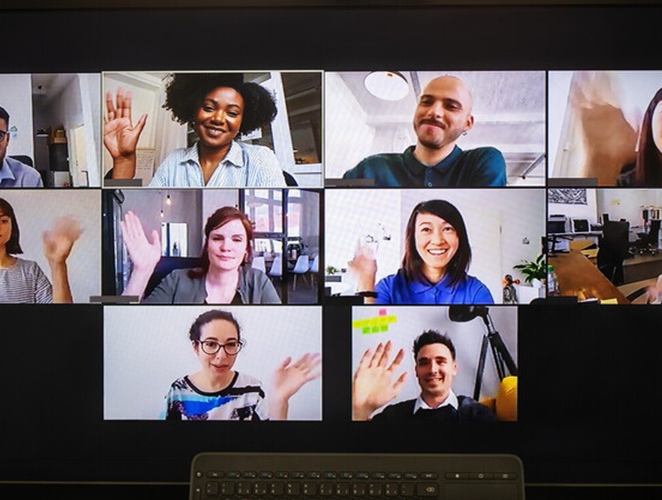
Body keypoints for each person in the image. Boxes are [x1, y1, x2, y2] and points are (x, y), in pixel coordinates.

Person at [104, 73, 287, 187]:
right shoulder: (174, 160)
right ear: (193, 112)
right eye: (208, 108)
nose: (217, 118)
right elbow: (133, 212)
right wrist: (123, 161)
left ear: (243, 121)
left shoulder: (261, 159)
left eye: (232, 112)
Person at [341, 75, 506, 187]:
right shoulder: (371, 168)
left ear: (468, 123)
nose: (434, 112)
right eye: (426, 102)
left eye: (451, 106)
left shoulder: (482, 162)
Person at [162, 309, 321, 420]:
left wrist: (280, 401)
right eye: (211, 344)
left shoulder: (251, 389)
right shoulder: (178, 390)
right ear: (196, 347)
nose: (222, 356)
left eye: (231, 344)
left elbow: (273, 447)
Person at [120, 206, 280, 304]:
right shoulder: (176, 280)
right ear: (207, 244)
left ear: (246, 249)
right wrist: (141, 271)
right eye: (217, 238)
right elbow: (131, 323)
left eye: (237, 240)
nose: (226, 247)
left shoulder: (259, 282)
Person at [348, 199, 494, 304]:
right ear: (413, 238)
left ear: (459, 237)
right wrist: (366, 281)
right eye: (426, 229)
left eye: (447, 229)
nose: (437, 240)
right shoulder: (389, 287)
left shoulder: (476, 292)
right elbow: (371, 330)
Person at [352, 331, 494, 421]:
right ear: (416, 370)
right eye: (424, 363)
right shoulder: (393, 416)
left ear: (454, 368)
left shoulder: (477, 414)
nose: (432, 369)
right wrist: (360, 410)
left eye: (441, 361)